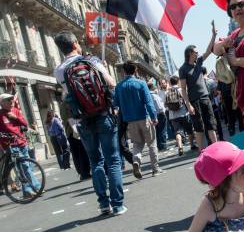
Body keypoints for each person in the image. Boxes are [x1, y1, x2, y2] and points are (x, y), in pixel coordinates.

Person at [53, 31, 125, 215]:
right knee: (113, 160)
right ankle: (117, 204)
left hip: (82, 120)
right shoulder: (92, 61)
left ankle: (103, 204)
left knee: (96, 161)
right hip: (103, 115)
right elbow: (111, 84)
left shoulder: (59, 70)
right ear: (75, 43)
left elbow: (66, 96)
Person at [114, 61, 163, 178]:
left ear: (124, 71)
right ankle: (155, 169)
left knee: (137, 144)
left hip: (130, 120)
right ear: (135, 70)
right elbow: (148, 102)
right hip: (143, 117)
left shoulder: (119, 86)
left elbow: (116, 103)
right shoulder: (141, 83)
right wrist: (154, 116)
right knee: (151, 143)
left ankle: (136, 161)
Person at [179, 22, 218, 152]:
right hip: (194, 101)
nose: (197, 53)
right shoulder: (183, 69)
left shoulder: (199, 62)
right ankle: (202, 153)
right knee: (199, 127)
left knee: (211, 124)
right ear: (190, 53)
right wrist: (188, 104)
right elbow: (183, 89)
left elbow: (208, 51)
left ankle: (217, 148)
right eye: (195, 52)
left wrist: (213, 35)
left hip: (205, 98)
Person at [0, 93, 42, 199]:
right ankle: (33, 188)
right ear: (2, 103)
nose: (11, 102)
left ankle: (30, 190)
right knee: (23, 167)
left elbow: (24, 124)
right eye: (8, 100)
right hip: (10, 145)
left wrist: (15, 118)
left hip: (21, 142)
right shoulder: (0, 114)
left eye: (11, 100)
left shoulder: (15, 111)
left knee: (25, 166)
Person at [166, 75, 195, 156]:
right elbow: (186, 101)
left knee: (177, 132)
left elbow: (165, 105)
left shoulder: (167, 92)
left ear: (170, 83)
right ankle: (192, 145)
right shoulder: (181, 90)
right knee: (189, 130)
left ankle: (180, 146)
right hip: (183, 113)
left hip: (173, 115)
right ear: (178, 81)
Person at [148, 81, 168, 151]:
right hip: (160, 114)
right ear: (152, 87)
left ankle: (159, 145)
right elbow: (159, 106)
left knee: (156, 131)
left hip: (152, 115)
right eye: (154, 85)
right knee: (162, 130)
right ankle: (163, 145)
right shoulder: (154, 95)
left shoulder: (147, 95)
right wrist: (163, 112)